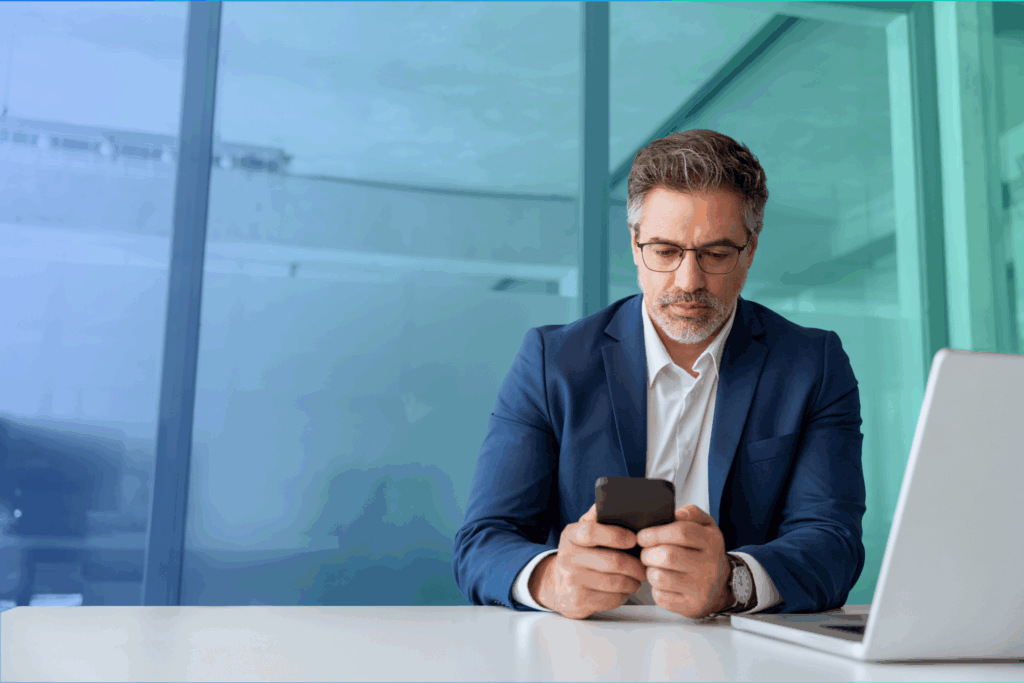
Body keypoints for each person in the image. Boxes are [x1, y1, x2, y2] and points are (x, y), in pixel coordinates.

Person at [452, 129, 865, 619]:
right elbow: (482, 541)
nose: (689, 282)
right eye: (665, 252)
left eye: (715, 254)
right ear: (634, 243)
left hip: (742, 650)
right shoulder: (552, 361)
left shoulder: (811, 364)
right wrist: (552, 580)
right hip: (585, 649)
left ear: (750, 250)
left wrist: (730, 583)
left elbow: (833, 543)